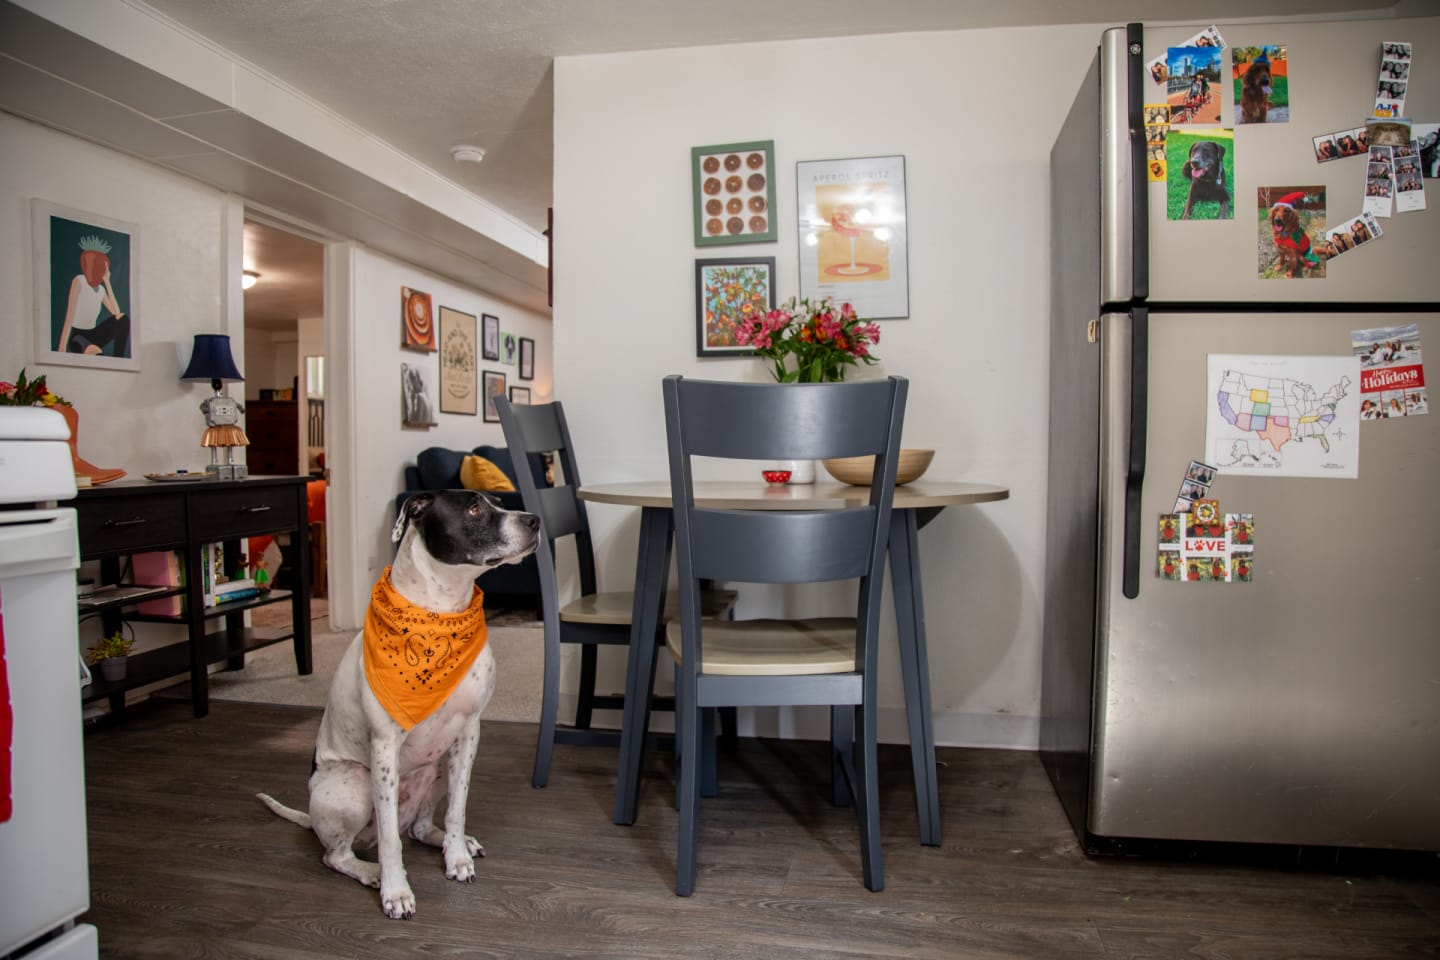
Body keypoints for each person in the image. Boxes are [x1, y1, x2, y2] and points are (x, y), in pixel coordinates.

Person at [59, 234, 130, 356]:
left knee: (123, 318)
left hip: (94, 334)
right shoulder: (79, 281)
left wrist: (107, 282)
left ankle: (119, 357)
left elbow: (116, 313)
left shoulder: (101, 289)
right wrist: (61, 349)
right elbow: (69, 317)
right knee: (96, 352)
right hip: (78, 337)